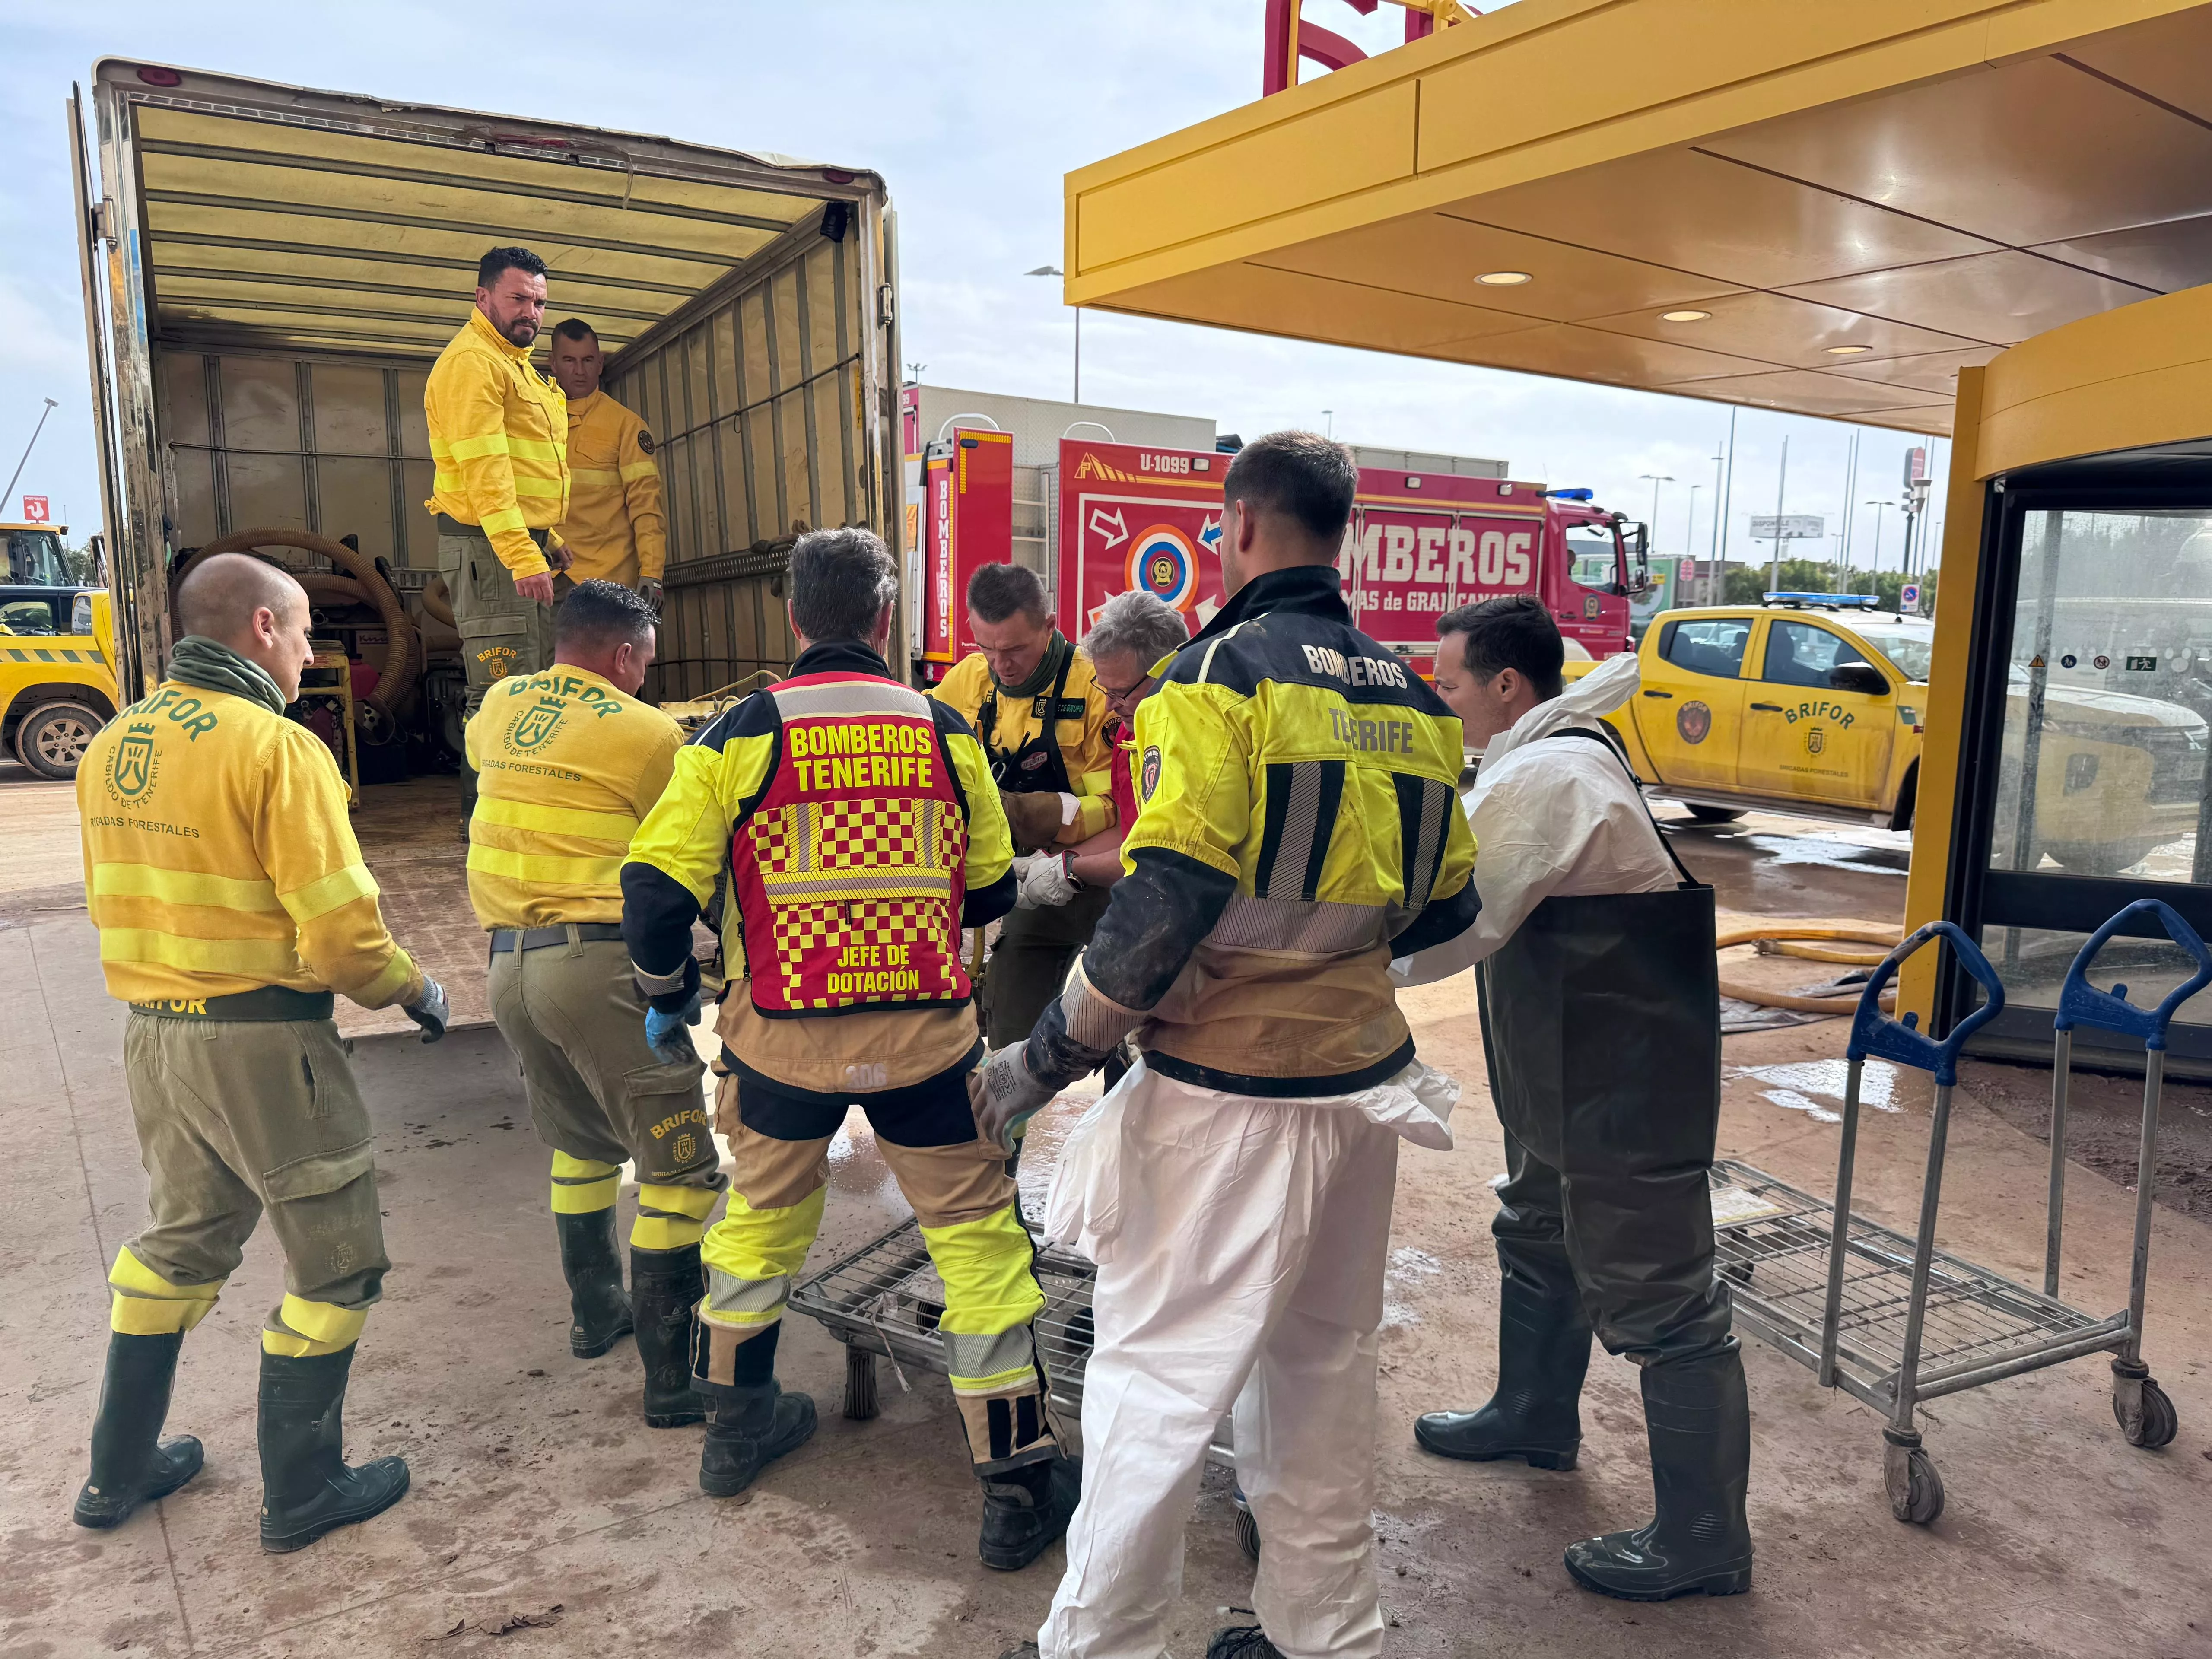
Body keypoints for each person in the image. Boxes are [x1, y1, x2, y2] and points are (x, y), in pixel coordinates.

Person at [982, 432, 1481, 1659]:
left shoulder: (1215, 677)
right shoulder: (1413, 697)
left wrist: (1038, 1059)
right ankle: (1327, 1635)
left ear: (1240, 526)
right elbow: (1454, 911)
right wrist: (1327, 961)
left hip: (1225, 1100)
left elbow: (1164, 904)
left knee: (1154, 1384)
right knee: (1318, 1377)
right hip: (1361, 1093)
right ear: (1343, 528)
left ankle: (1098, 1645)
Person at [621, 528, 1083, 1568]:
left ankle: (734, 1435)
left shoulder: (740, 733)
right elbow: (995, 888)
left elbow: (652, 885)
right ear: (883, 618)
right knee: (977, 1247)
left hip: (778, 1044)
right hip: (924, 1043)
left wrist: (668, 993)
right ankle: (1016, 1487)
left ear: (795, 618)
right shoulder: (946, 729)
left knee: (757, 1230)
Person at [73, 553, 448, 1552]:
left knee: (179, 1244)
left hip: (156, 1040)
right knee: (338, 1264)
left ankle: (117, 1469)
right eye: (306, 632)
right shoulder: (277, 750)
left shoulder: (111, 743)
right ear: (264, 631)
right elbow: (340, 937)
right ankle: (304, 1487)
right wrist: (412, 988)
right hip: (262, 1045)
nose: (315, 654)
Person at [1399, 594, 1751, 1602]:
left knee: (1664, 1295)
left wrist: (1317, 959)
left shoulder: (1550, 773)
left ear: (1506, 684)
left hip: (1624, 1077)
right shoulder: (1541, 755)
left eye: (1451, 678)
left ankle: (1704, 1536)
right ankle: (1534, 1413)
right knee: (1539, 1220)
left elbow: (1450, 919)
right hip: (1574, 1067)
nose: (1442, 694)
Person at [465, 579, 718, 1427]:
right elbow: (681, 846)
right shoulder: (647, 732)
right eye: (645, 661)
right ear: (621, 656)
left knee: (580, 1151)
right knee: (677, 1170)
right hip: (598, 968)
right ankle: (675, 1381)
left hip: (509, 970)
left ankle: (595, 1311)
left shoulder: (499, 704)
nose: (647, 676)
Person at [931, 563, 1118, 1046]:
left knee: (1131, 1025)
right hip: (1028, 888)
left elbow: (1128, 806)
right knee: (1011, 1035)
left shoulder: (1098, 688)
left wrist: (1053, 819)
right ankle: (1006, 1121)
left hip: (1106, 879)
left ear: (1049, 626)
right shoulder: (964, 684)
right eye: (986, 647)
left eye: (1014, 649)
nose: (1001, 664)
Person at [426, 245, 574, 835]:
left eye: (539, 302)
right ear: (483, 297)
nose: (531, 312)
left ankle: (521, 812)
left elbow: (520, 470)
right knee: (501, 688)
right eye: (518, 298)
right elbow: (486, 477)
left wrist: (548, 537)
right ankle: (484, 820)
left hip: (516, 544)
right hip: (492, 550)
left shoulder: (514, 364)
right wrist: (521, 553)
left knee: (531, 681)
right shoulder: (474, 365)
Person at [1011, 588, 1189, 907]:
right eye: (1104, 690)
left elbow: (1161, 856)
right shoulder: (1128, 736)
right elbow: (1128, 832)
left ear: (1169, 673)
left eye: (1120, 693)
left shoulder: (1195, 744)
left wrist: (1071, 869)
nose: (1109, 706)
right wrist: (1052, 861)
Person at [546, 319, 668, 605]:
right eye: (569, 360)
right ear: (553, 363)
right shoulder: (535, 422)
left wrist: (652, 573)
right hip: (547, 575)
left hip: (608, 582)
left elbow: (647, 507)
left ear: (600, 363)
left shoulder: (626, 426)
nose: (579, 371)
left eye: (588, 360)